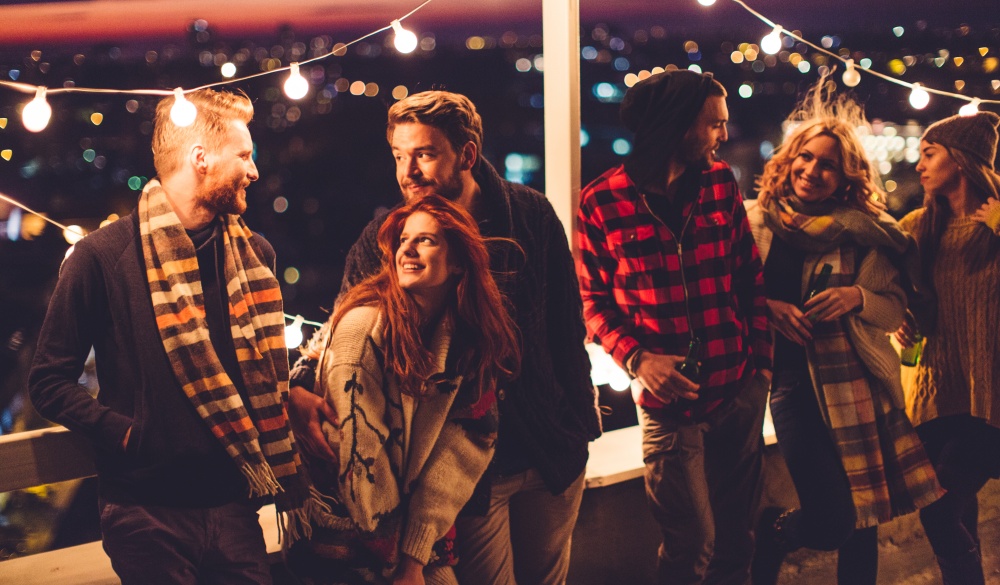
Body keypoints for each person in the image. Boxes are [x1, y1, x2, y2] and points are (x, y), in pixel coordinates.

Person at [287, 90, 602, 585]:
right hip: (461, 470)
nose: (407, 172)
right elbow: (346, 325)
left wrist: (579, 426)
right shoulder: (387, 237)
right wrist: (302, 383)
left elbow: (566, 328)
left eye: (424, 154)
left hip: (549, 450)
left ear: (467, 156)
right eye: (398, 156)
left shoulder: (531, 217)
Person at [28, 88, 318, 585]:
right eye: (244, 155)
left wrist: (294, 394)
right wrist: (124, 433)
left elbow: (261, 375)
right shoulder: (102, 257)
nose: (253, 170)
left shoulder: (257, 257)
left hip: (236, 503)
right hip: (147, 513)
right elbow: (49, 381)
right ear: (200, 158)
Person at [576, 69, 772, 585]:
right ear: (677, 124)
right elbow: (591, 301)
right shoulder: (601, 201)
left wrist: (762, 370)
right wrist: (638, 360)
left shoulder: (719, 182)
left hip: (740, 389)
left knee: (737, 540)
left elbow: (749, 277)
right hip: (669, 407)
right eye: (714, 125)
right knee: (691, 546)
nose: (723, 136)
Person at [744, 78, 942, 585]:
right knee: (833, 518)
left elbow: (895, 308)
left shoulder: (866, 232)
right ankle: (776, 533)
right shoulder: (756, 223)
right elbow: (728, 295)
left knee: (864, 520)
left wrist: (858, 297)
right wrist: (766, 307)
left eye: (828, 164)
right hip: (790, 388)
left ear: (846, 176)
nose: (812, 170)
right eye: (805, 158)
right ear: (789, 160)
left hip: (855, 383)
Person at [289, 195, 520, 585]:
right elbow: (361, 460)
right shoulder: (363, 329)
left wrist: (414, 558)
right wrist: (403, 566)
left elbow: (459, 457)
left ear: (459, 263)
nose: (407, 249)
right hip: (341, 538)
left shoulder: (467, 339)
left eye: (426, 240)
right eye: (403, 239)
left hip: (414, 541)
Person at [895, 110, 1000, 585]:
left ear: (960, 160)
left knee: (943, 507)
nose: (919, 164)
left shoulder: (995, 224)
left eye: (930, 153)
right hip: (936, 392)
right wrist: (899, 319)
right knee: (950, 511)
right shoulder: (918, 226)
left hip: (988, 396)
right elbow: (884, 289)